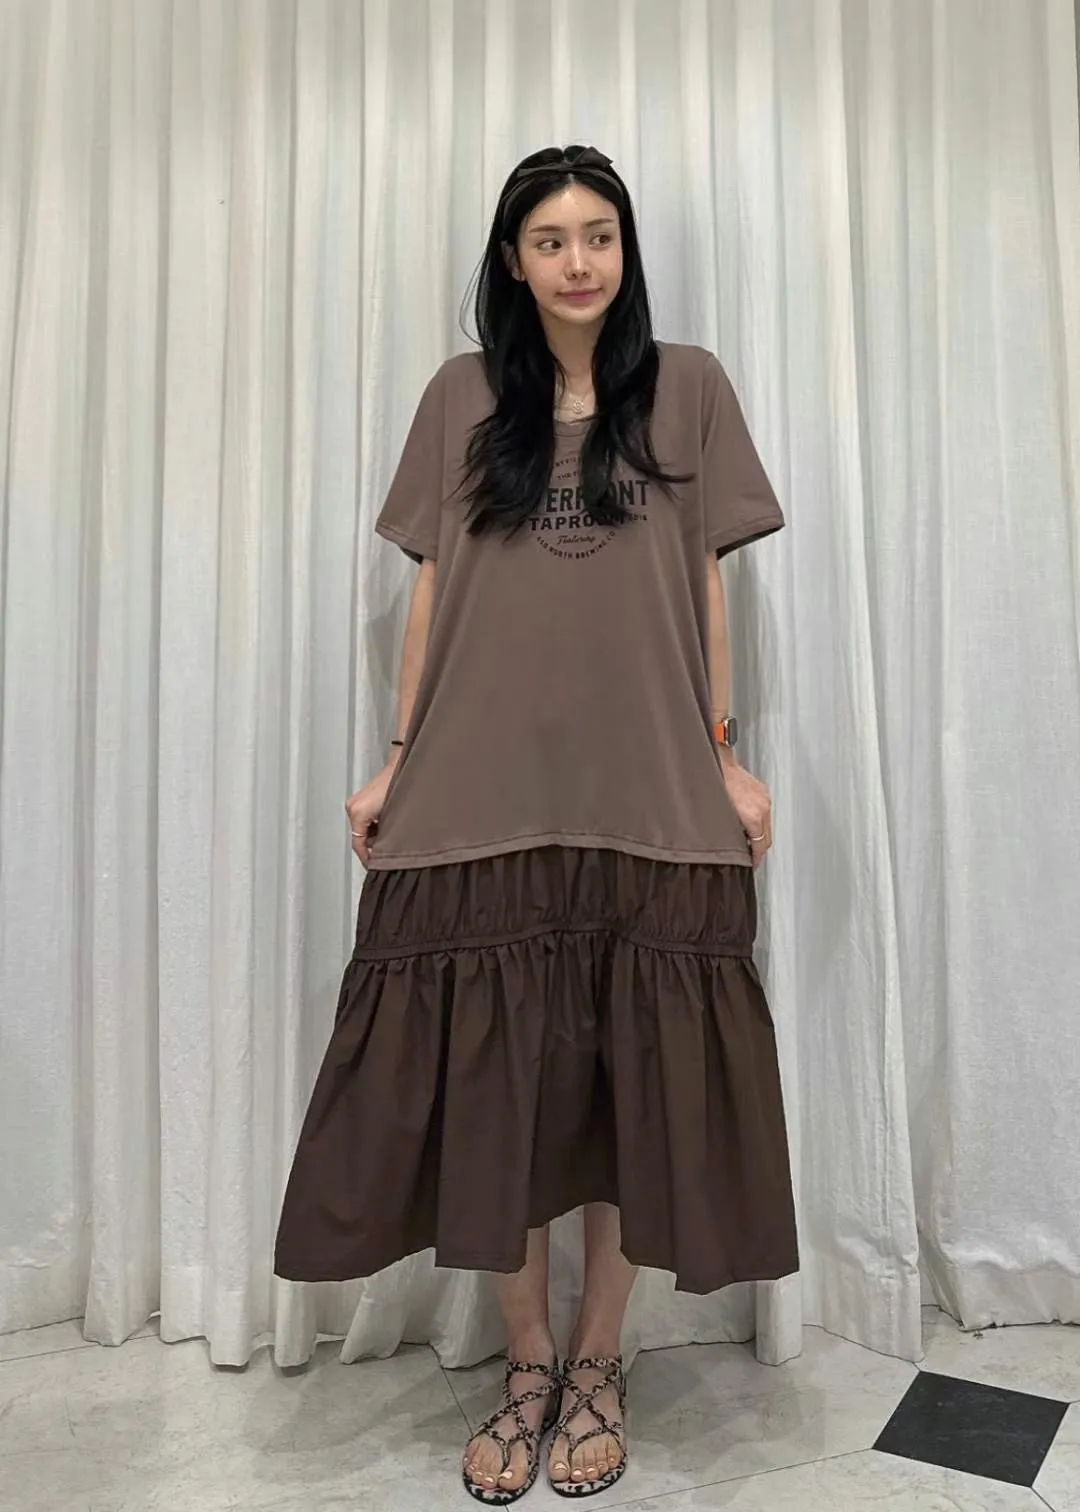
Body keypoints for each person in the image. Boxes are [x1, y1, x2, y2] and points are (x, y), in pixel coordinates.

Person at [274, 143, 799, 1504]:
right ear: (513, 260)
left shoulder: (688, 387)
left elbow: (708, 588)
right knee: (491, 1086)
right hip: (480, 780)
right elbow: (434, 589)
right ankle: (526, 1364)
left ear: (627, 252)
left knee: (632, 1082)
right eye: (552, 239)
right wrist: (396, 761)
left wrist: (725, 756)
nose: (579, 261)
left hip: (649, 780)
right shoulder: (461, 398)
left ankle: (601, 1359)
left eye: (600, 236)